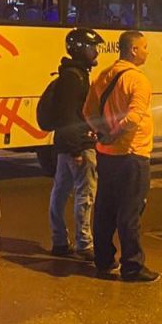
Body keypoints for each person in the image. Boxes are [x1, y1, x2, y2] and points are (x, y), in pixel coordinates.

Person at [84, 30, 159, 283]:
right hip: (131, 153)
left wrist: (102, 134)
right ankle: (132, 266)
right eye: (145, 47)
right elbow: (133, 118)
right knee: (130, 212)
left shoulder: (104, 75)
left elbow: (88, 111)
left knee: (105, 209)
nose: (148, 51)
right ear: (133, 50)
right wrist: (115, 134)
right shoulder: (138, 80)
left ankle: (104, 260)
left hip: (107, 155)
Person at [47, 28, 104, 259]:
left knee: (60, 193)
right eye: (93, 48)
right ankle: (84, 244)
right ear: (81, 50)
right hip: (77, 144)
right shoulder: (74, 78)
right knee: (85, 194)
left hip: (65, 144)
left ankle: (59, 241)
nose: (96, 52)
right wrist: (76, 149)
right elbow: (69, 116)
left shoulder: (71, 74)